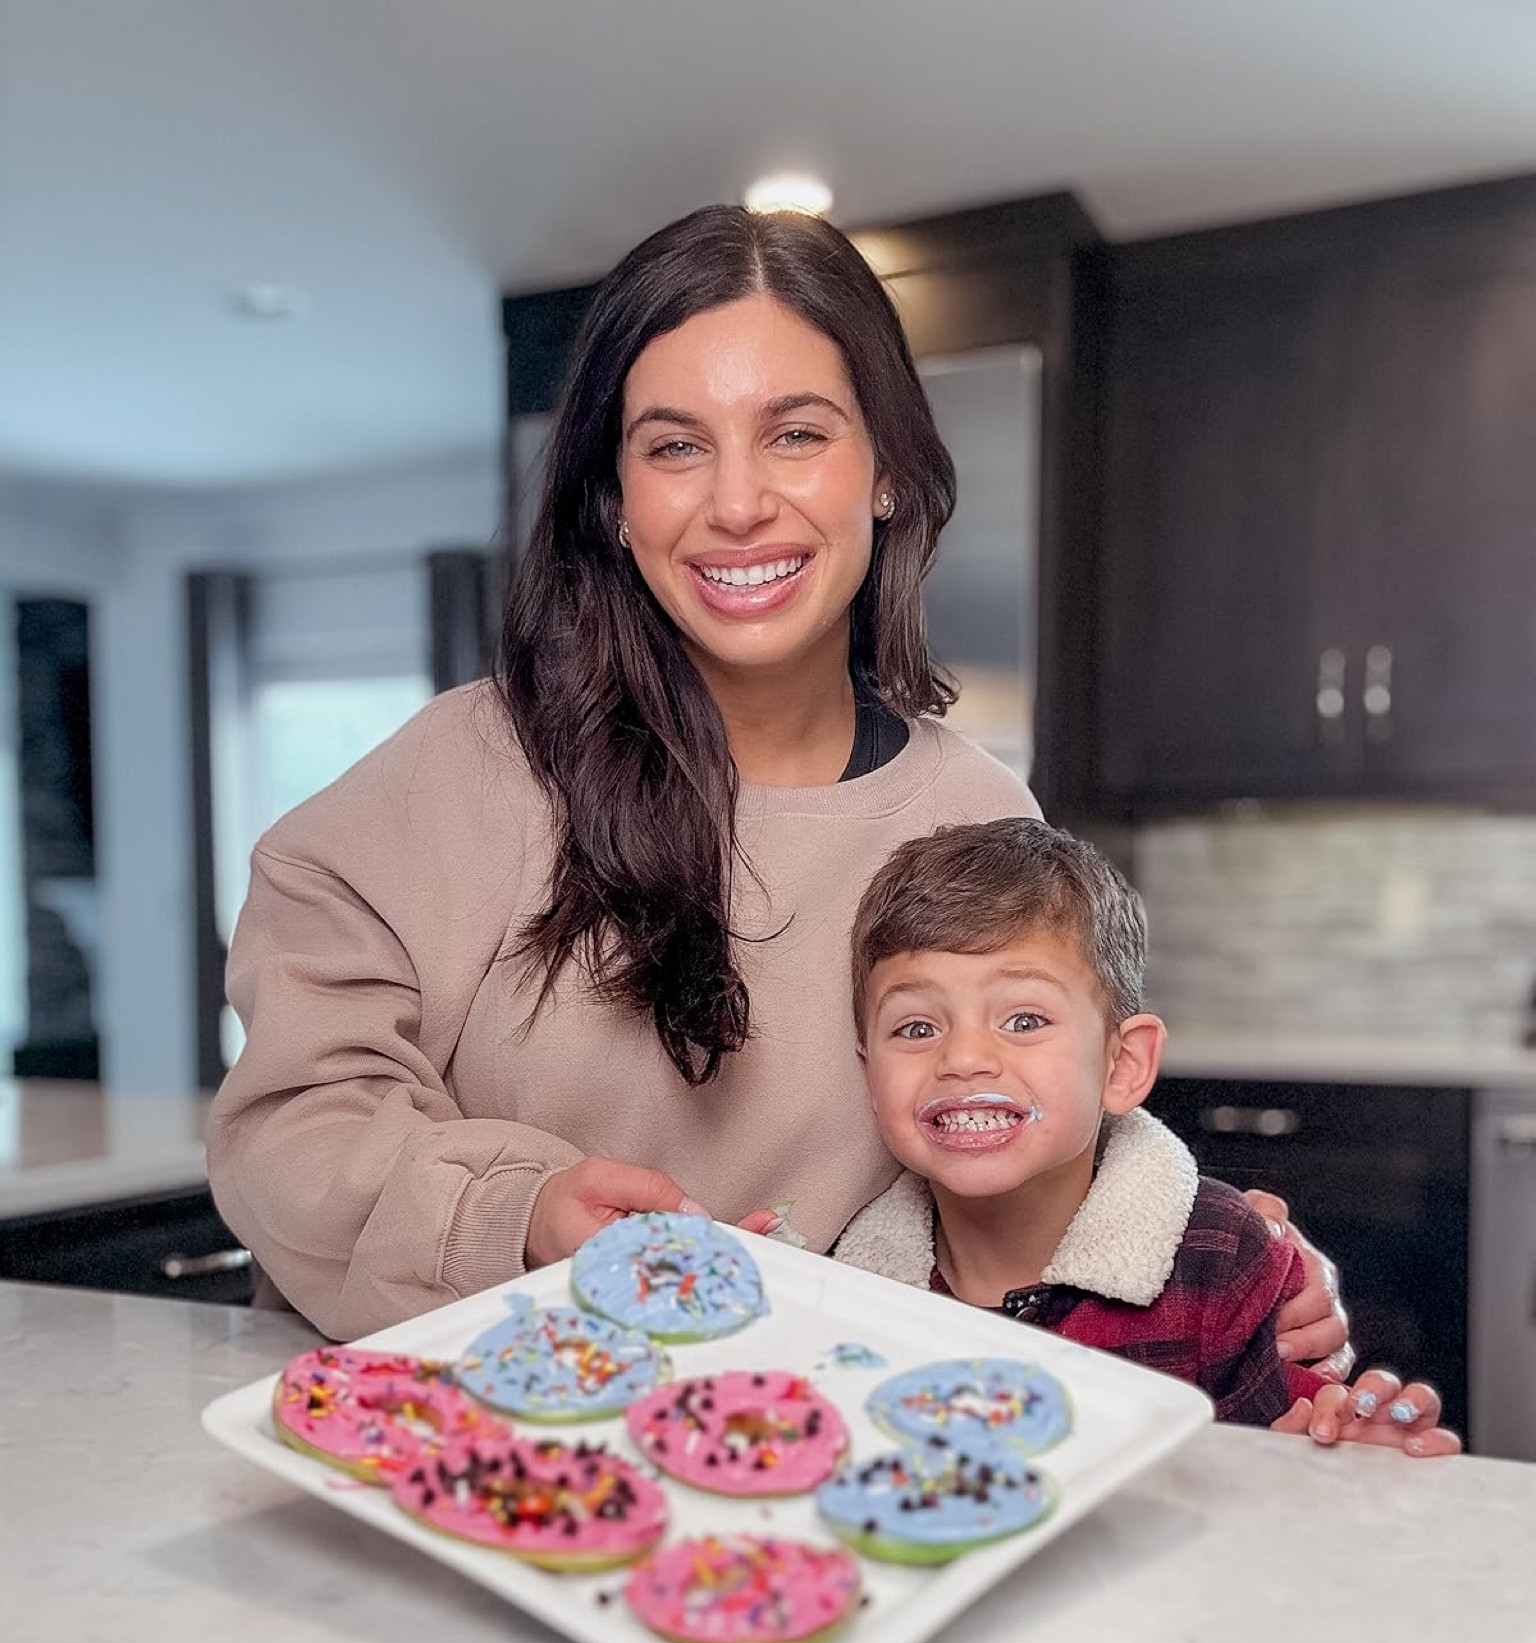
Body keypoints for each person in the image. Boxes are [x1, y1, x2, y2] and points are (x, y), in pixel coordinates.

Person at [207, 203, 1348, 1365]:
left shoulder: (978, 816)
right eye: (673, 444)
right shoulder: (461, 773)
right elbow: (288, 1130)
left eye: (796, 433)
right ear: (614, 501)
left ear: (889, 471)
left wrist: (1230, 1270)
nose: (739, 502)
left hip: (823, 1486)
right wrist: (521, 1219)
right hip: (462, 1453)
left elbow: (1054, 1161)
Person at [832, 818, 1458, 1451]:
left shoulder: (1221, 1258)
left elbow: (1292, 1473)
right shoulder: (840, 1300)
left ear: (1122, 1065)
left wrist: (1350, 1453)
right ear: (869, 1074)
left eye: (1024, 1019)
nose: (963, 1058)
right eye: (915, 1028)